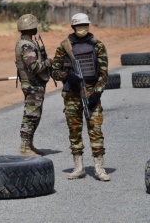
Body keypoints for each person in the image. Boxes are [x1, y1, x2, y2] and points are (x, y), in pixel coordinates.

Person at [51, 13, 110, 181]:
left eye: (84, 25)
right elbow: (54, 70)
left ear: (89, 26)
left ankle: (99, 167)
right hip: (72, 94)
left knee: (95, 130)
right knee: (74, 130)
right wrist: (67, 76)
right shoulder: (64, 46)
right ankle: (79, 167)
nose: (82, 29)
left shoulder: (97, 45)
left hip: (91, 91)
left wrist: (97, 93)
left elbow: (104, 73)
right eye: (79, 26)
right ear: (73, 27)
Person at [14, 14, 53, 156]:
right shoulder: (27, 45)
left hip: (34, 84)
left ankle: (29, 145)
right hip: (32, 84)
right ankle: (24, 147)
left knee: (35, 115)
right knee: (31, 115)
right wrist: (48, 62)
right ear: (32, 28)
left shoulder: (27, 43)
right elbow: (34, 67)